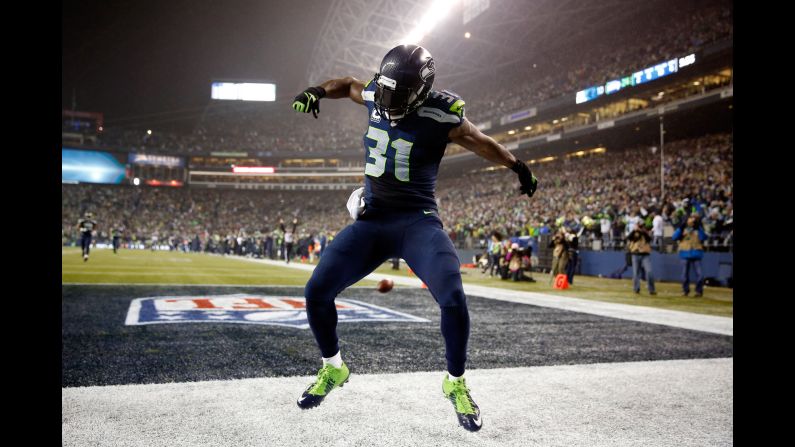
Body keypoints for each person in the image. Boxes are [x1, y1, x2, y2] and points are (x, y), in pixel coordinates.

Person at [290, 44, 538, 432]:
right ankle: (333, 369)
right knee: (315, 291)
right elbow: (348, 84)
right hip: (372, 222)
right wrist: (318, 90)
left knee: (453, 299)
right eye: (383, 92)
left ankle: (455, 383)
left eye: (395, 95)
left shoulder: (442, 114)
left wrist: (517, 166)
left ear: (421, 91)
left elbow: (481, 141)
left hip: (417, 222)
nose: (385, 101)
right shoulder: (377, 92)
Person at [672, 215, 707, 297]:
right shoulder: (683, 228)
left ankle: (698, 291)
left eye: (693, 219)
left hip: (696, 253)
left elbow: (703, 238)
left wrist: (699, 228)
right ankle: (685, 290)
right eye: (690, 218)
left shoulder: (698, 229)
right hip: (685, 252)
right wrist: (681, 228)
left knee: (700, 275)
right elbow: (674, 237)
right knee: (684, 275)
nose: (692, 221)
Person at [627, 222, 656, 295]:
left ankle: (651, 289)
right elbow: (629, 238)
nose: (640, 227)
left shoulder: (646, 233)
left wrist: (642, 231)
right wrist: (634, 230)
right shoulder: (634, 233)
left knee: (649, 271)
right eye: (640, 226)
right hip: (635, 254)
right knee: (636, 273)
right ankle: (636, 289)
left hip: (645, 254)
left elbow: (649, 239)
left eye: (642, 226)